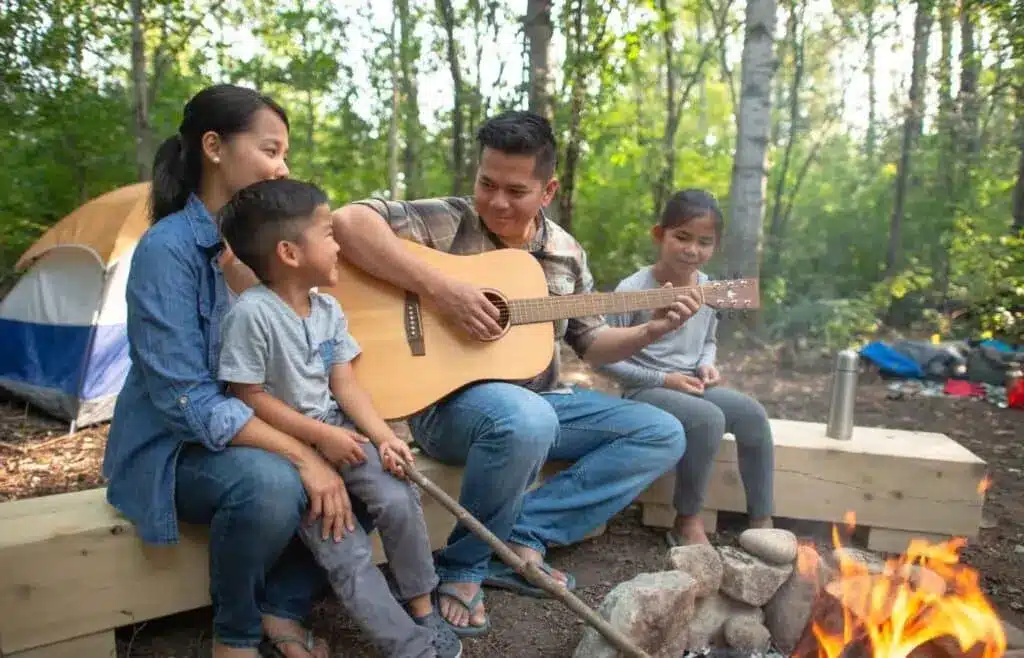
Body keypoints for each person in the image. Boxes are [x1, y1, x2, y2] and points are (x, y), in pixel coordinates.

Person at [331, 110, 699, 636]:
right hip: (447, 406)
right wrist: (442, 290)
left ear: (547, 190)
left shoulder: (566, 254)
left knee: (662, 432)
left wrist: (652, 331)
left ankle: (521, 536)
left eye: (515, 190)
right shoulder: (448, 219)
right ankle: (462, 569)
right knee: (526, 419)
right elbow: (347, 223)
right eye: (487, 183)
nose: (496, 201)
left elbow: (591, 343)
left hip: (541, 404)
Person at [102, 84, 343, 658]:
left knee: (364, 460)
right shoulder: (168, 251)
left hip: (254, 427)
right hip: (172, 449)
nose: (282, 168)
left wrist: (333, 437)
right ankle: (233, 639)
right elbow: (188, 402)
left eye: (284, 154)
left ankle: (279, 607)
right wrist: (304, 453)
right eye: (270, 150)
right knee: (272, 483)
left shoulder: (266, 249)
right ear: (214, 147)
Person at [216, 178, 463, 658]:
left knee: (397, 494)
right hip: (292, 450)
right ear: (289, 253)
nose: (337, 245)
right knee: (345, 550)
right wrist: (320, 438)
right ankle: (409, 648)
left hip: (341, 431)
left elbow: (344, 383)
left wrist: (382, 438)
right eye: (328, 233)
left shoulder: (328, 309)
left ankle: (421, 608)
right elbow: (247, 396)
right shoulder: (252, 315)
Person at [598, 189, 775, 547]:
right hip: (645, 388)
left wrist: (707, 365)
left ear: (715, 245)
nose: (692, 250)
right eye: (682, 237)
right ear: (659, 234)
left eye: (704, 242)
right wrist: (665, 378)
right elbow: (606, 359)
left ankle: (762, 520)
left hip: (692, 384)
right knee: (708, 419)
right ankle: (687, 519)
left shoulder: (708, 288)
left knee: (753, 415)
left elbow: (708, 339)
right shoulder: (632, 289)